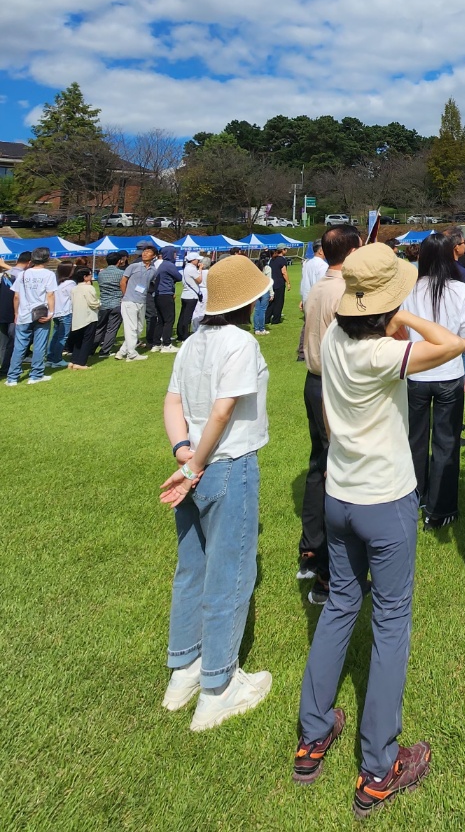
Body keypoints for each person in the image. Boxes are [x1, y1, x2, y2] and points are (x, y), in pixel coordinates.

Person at [294, 243, 464, 807]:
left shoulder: (332, 339)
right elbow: (452, 344)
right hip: (385, 499)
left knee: (342, 604)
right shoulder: (384, 353)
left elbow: (327, 413)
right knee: (390, 622)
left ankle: (313, 734)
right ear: (386, 305)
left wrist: (384, 312)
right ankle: (378, 766)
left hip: (340, 495)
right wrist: (404, 314)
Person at [159, 254, 273, 732]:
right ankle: (218, 686)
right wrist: (195, 463)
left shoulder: (192, 341)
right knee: (229, 574)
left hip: (197, 462)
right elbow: (224, 411)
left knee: (193, 568)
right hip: (226, 463)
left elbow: (173, 403)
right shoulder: (240, 343)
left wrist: (183, 452)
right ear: (249, 301)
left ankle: (184, 667)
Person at [299, 224, 362, 604]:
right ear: (352, 251)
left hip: (315, 380)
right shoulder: (342, 291)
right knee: (334, 471)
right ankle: (327, 570)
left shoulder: (320, 285)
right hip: (333, 385)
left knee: (318, 465)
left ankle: (311, 549)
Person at [403, 232, 465, 530]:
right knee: (446, 442)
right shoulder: (458, 290)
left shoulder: (409, 290)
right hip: (448, 374)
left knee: (414, 440)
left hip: (415, 373)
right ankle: (440, 509)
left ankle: (413, 497)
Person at [7, 247, 58, 385]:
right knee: (39, 346)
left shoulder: (23, 274)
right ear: (47, 258)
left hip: (24, 314)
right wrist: (51, 312)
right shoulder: (49, 274)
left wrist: (16, 313)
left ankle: (12, 377)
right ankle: (36, 375)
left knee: (19, 346)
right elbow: (50, 295)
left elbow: (16, 296)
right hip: (41, 313)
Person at [117, 241, 157, 361]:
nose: (145, 254)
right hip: (129, 300)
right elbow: (123, 282)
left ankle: (122, 351)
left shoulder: (153, 270)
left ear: (154, 255)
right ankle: (132, 354)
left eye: (148, 252)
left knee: (139, 328)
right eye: (144, 252)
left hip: (142, 300)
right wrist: (126, 295)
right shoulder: (133, 266)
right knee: (131, 328)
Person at [297, 241, 326, 360]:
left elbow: (304, 282)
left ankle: (302, 352)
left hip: (307, 298)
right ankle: (316, 352)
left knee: (307, 326)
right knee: (320, 327)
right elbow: (322, 286)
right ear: (320, 251)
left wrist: (303, 298)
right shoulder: (322, 266)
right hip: (316, 300)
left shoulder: (307, 263)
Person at [96, 251, 128, 356]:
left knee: (100, 328)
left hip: (104, 303)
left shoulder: (101, 273)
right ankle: (105, 350)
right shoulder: (122, 273)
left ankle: (91, 348)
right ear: (119, 261)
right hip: (116, 303)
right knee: (112, 328)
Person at [68, 266, 100, 368]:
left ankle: (73, 361)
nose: (91, 277)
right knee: (87, 340)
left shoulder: (74, 289)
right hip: (89, 316)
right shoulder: (89, 288)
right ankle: (81, 363)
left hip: (77, 317)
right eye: (90, 275)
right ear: (85, 277)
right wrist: (99, 303)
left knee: (78, 341)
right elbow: (93, 303)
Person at [151, 245, 181, 353]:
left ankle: (156, 343)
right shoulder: (169, 265)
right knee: (169, 320)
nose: (175, 256)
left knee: (161, 320)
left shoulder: (162, 265)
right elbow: (179, 277)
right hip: (166, 294)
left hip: (158, 295)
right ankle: (167, 344)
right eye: (174, 253)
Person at [46, 261, 75, 366]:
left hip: (56, 312)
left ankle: (50, 358)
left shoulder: (55, 282)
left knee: (55, 336)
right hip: (65, 312)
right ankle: (57, 359)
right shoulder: (70, 283)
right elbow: (73, 296)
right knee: (62, 337)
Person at [177, 252, 203, 341]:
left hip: (185, 294)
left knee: (182, 315)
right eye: (197, 260)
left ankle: (180, 334)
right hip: (191, 296)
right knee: (187, 316)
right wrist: (200, 269)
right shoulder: (192, 269)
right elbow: (199, 280)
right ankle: (185, 335)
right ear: (193, 260)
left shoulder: (186, 268)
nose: (198, 261)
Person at [265, 248, 289, 324]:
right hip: (279, 283)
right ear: (283, 250)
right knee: (279, 302)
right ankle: (276, 319)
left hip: (271, 283)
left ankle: (266, 319)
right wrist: (288, 282)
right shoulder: (282, 260)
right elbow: (284, 272)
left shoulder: (272, 260)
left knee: (271, 302)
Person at [252, 258, 274, 336]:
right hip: (264, 290)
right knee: (262, 311)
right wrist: (272, 293)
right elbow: (269, 281)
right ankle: (262, 328)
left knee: (257, 311)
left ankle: (256, 329)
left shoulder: (254, 268)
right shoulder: (267, 268)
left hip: (256, 291)